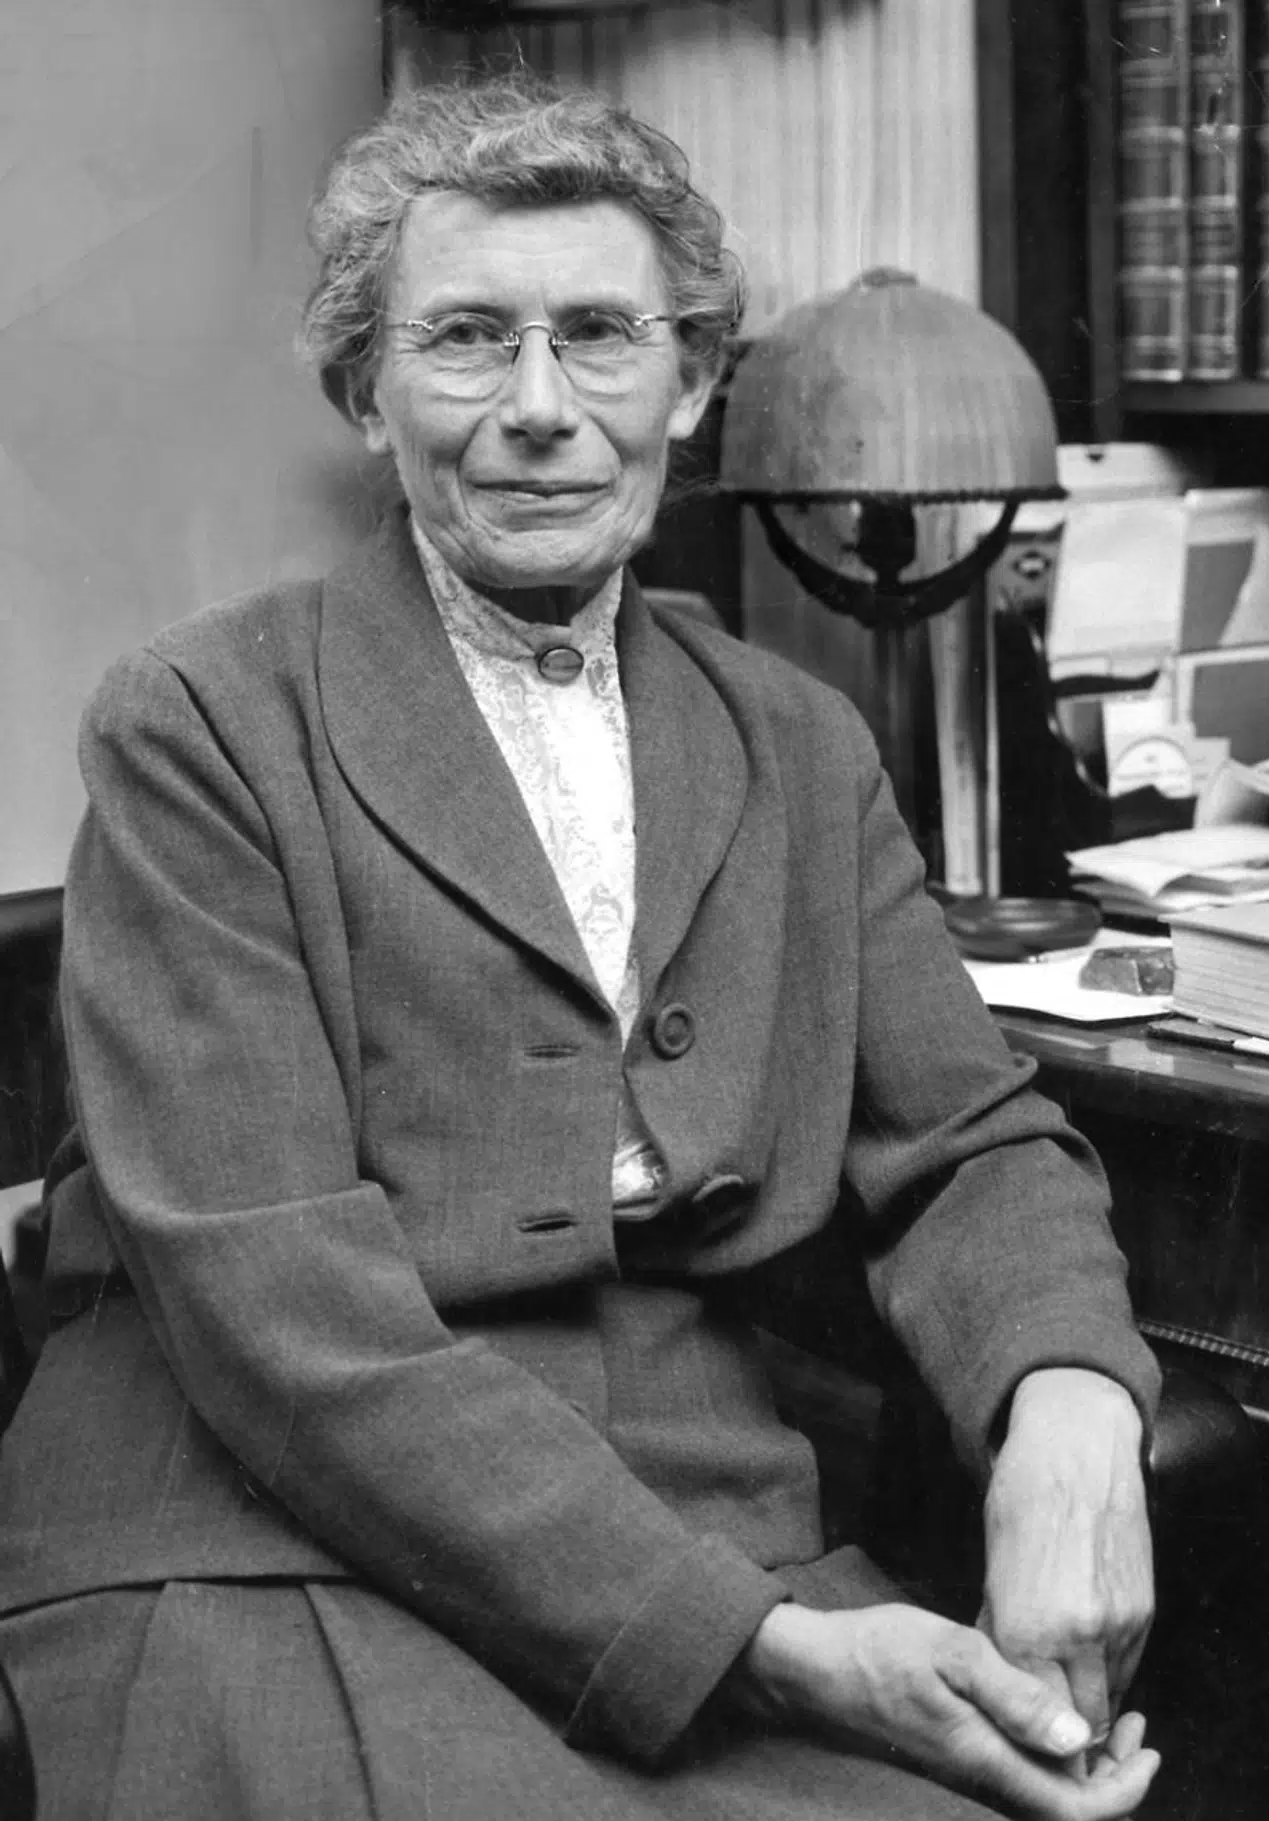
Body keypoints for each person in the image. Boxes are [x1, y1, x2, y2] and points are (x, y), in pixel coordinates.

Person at [0, 75, 1163, 1820]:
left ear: (690, 385)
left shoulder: (798, 740)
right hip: (258, 1535)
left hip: (706, 1518)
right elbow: (276, 1313)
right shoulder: (199, 725)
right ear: (366, 393)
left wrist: (1071, 1411)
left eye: (602, 337)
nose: (539, 409)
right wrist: (765, 1647)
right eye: (467, 339)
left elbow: (971, 1142)